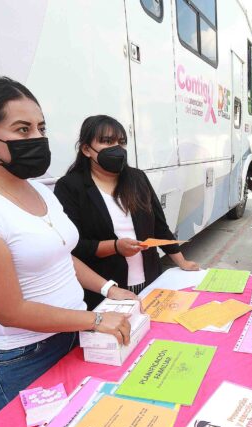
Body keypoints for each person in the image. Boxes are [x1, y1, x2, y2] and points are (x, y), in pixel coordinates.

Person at [0, 77, 136, 411]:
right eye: (22, 130)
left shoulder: (39, 188)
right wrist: (97, 321)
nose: (38, 138)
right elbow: (10, 311)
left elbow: (58, 255)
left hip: (72, 332)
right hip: (21, 357)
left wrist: (108, 290)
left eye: (40, 128)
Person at [54, 115, 198, 309]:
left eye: (121, 142)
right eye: (107, 141)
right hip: (106, 290)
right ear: (86, 149)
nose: (117, 148)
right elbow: (74, 246)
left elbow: (159, 226)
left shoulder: (137, 179)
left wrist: (182, 262)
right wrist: (115, 246)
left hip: (150, 281)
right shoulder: (70, 186)